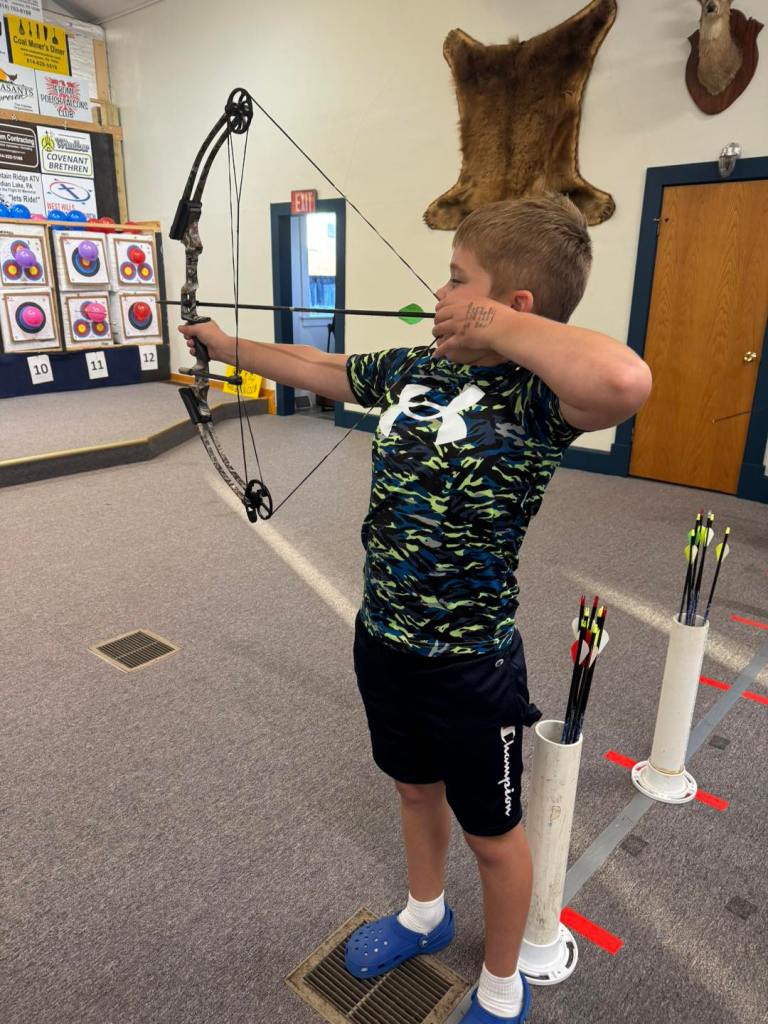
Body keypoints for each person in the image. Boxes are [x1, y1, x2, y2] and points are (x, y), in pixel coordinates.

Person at [179, 194, 652, 1023]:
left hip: (471, 663)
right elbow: (322, 368)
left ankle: (503, 987)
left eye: (456, 278)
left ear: (510, 305)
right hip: (385, 637)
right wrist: (228, 347)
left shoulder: (541, 399)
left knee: (494, 838)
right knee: (411, 790)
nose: (438, 293)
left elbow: (624, 379)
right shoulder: (414, 368)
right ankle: (425, 915)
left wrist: (495, 329)